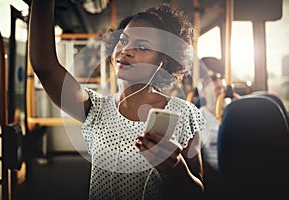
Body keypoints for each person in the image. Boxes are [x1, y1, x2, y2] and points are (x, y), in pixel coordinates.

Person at [29, 0, 205, 199]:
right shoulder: (95, 108)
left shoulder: (184, 114)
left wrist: (176, 169)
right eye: (123, 40)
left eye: (142, 47)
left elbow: (197, 193)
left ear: (162, 61)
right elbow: (44, 66)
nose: (125, 50)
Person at [198, 57, 225, 195]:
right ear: (201, 87)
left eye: (220, 78)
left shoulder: (236, 113)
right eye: (213, 79)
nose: (220, 84)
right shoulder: (197, 121)